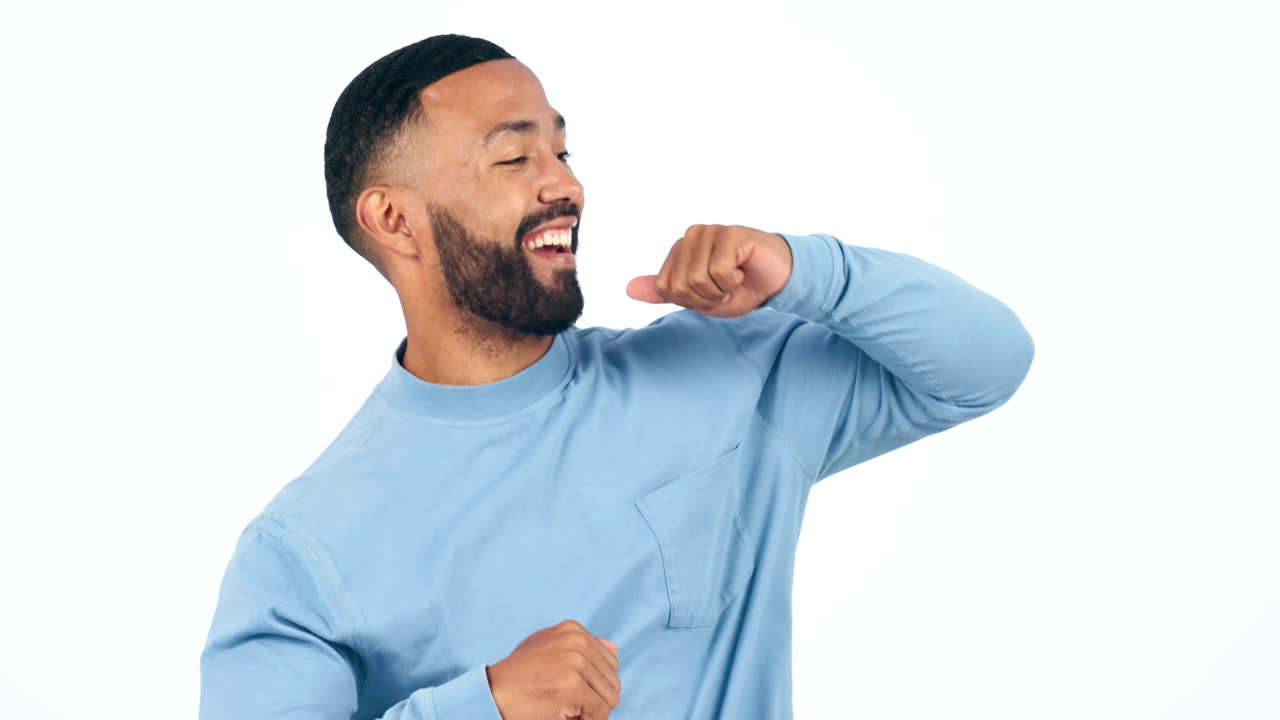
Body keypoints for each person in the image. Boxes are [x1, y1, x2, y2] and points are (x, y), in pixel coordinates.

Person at [199, 33, 1035, 720]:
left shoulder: (725, 371)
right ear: (393, 219)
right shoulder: (301, 553)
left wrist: (799, 270)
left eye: (560, 149)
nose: (566, 185)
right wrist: (482, 707)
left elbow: (986, 363)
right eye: (512, 159)